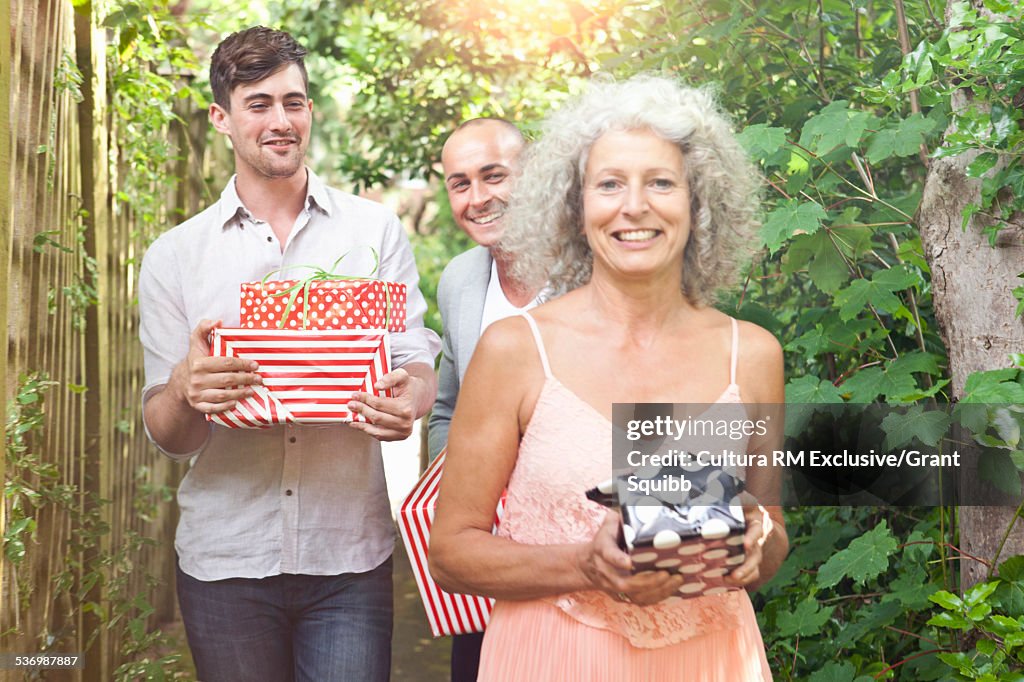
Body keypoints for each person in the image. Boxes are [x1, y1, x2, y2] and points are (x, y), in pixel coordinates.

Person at [430, 74, 788, 681]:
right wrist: (582, 566)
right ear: (576, 205)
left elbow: (772, 526)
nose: (634, 207)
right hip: (549, 658)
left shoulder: (751, 355)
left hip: (713, 659)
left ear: (698, 203)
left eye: (662, 183)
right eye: (610, 184)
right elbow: (451, 552)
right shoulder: (515, 349)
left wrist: (759, 541)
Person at [137, 27, 440, 682]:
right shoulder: (176, 257)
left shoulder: (373, 231)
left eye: (294, 102)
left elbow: (413, 353)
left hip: (348, 561)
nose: (282, 120)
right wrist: (187, 389)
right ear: (221, 117)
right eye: (259, 103)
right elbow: (169, 436)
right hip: (225, 562)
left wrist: (409, 399)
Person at [427, 118, 534, 682]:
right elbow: (447, 408)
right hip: (485, 563)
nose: (478, 198)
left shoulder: (598, 272)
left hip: (579, 554)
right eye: (460, 183)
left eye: (495, 176)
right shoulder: (460, 281)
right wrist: (460, 489)